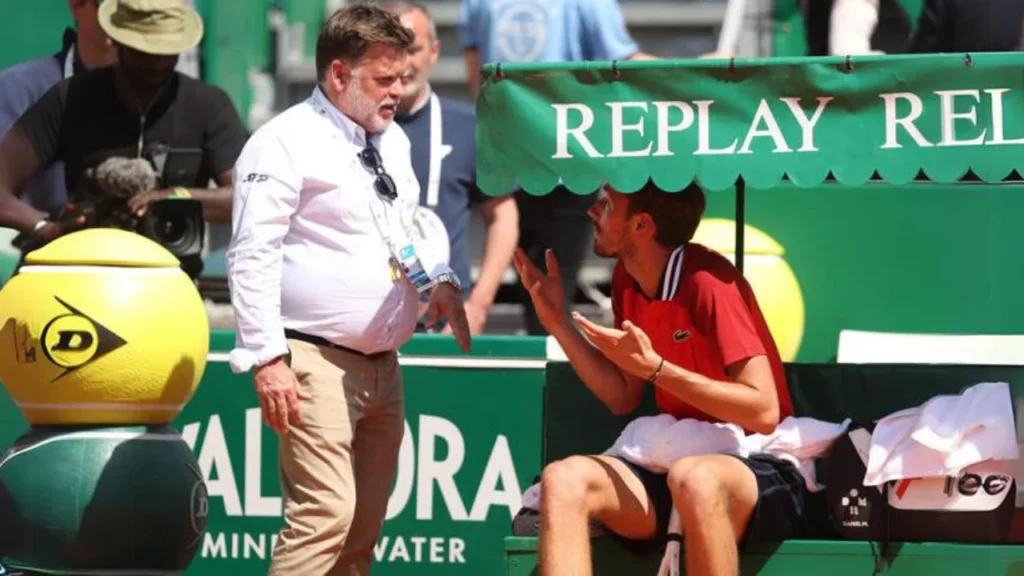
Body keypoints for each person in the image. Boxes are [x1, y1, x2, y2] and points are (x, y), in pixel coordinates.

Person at [225, 4, 471, 575]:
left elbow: (413, 225)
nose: (398, 92)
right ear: (339, 74)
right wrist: (268, 357)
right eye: (383, 80)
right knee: (325, 517)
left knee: (361, 533)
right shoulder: (282, 140)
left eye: (402, 77)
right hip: (313, 358)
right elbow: (251, 251)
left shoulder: (391, 140)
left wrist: (440, 280)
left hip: (384, 365)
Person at [512, 182, 805, 576]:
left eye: (606, 205)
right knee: (563, 479)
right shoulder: (625, 279)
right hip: (674, 467)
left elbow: (764, 411)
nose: (591, 213)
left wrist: (657, 370)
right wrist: (556, 321)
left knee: (695, 478)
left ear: (642, 225)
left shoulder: (709, 281)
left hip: (760, 465)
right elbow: (622, 397)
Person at [458, 0, 655, 336]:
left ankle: (549, 378)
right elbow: (478, 69)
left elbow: (624, 63)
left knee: (546, 295)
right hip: (532, 165)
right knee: (539, 295)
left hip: (554, 167)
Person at [0, 0, 247, 252]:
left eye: (168, 53)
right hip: (80, 272)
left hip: (173, 280)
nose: (157, 64)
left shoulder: (208, 105)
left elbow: (248, 197)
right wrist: (46, 228)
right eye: (144, 52)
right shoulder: (71, 97)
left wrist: (174, 197)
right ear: (117, 40)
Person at [388, 1, 518, 334]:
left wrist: (479, 303)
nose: (404, 63)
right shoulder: (352, 129)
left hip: (444, 325)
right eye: (392, 50)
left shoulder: (468, 126)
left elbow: (503, 215)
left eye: (413, 49)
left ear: (433, 51)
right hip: (367, 324)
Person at [0, 0, 117, 218]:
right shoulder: (19, 87)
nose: (118, 12)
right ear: (76, 5)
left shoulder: (166, 93)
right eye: (107, 2)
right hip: (51, 247)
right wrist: (45, 227)